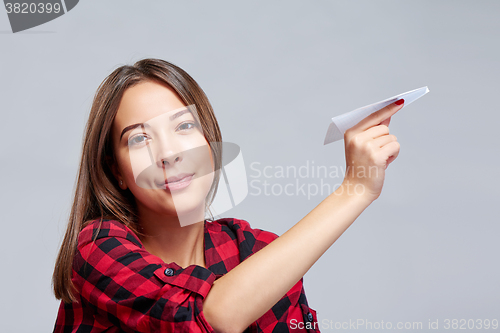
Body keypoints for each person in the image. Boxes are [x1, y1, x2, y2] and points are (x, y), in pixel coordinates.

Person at [51, 58, 403, 333]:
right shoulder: (97, 248)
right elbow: (203, 319)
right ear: (117, 172)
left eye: (184, 126)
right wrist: (353, 192)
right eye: (140, 139)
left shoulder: (256, 253)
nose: (169, 154)